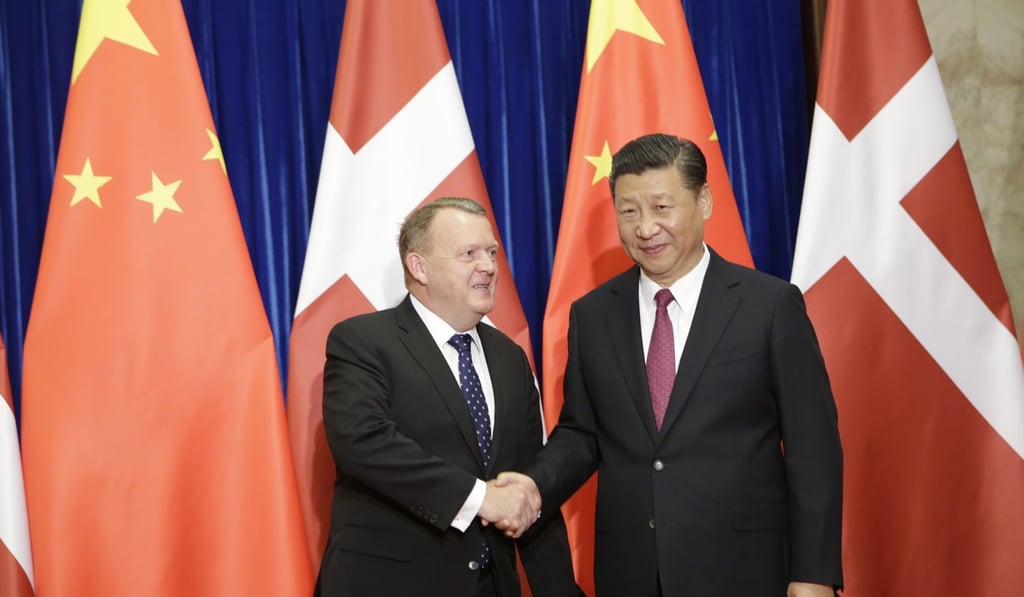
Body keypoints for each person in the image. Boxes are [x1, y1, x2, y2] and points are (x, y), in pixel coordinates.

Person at [500, 134, 843, 596]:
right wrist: (533, 487)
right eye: (629, 211)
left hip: (745, 569)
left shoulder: (770, 305)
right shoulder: (593, 314)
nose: (644, 228)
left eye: (661, 207)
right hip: (632, 572)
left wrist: (814, 574)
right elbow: (583, 434)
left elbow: (813, 449)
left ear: (703, 201)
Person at [314, 197, 581, 597]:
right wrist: (479, 498)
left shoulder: (510, 357)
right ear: (418, 266)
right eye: (469, 253)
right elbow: (362, 442)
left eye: (491, 252)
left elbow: (522, 487)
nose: (489, 266)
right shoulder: (363, 341)